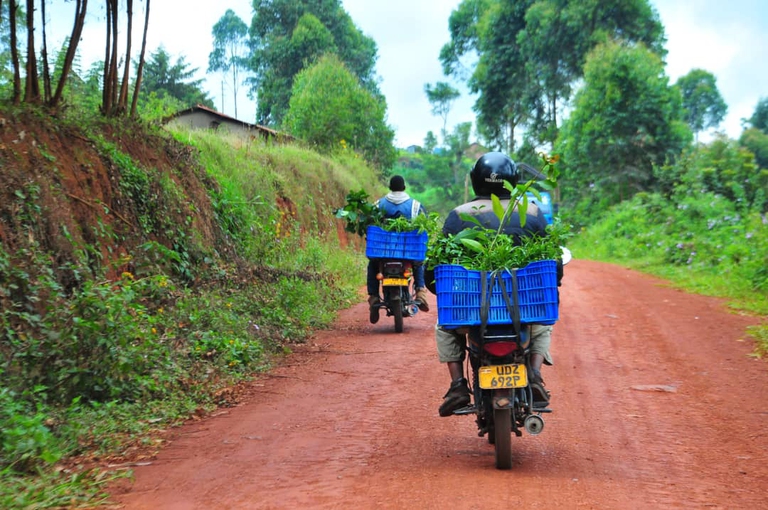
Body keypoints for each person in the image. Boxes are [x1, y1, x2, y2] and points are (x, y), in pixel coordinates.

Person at [434, 152, 556, 417]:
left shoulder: (458, 216)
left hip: (472, 309)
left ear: (476, 180)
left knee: (445, 327)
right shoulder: (532, 213)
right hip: (523, 306)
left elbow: (440, 266)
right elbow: (551, 262)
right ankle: (534, 374)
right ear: (513, 179)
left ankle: (457, 385)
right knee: (542, 324)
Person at [367, 175, 430, 324]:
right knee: (418, 263)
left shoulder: (377, 205)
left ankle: (374, 296)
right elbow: (425, 225)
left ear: (390, 187)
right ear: (404, 188)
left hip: (383, 252)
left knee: (373, 265)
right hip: (407, 252)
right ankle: (420, 292)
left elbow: (369, 224)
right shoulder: (415, 205)